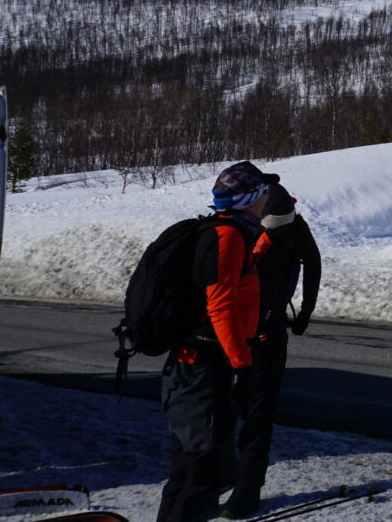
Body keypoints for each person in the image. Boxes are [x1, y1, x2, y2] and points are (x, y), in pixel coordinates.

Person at [156, 161, 275, 522]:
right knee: (200, 472)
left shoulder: (234, 234)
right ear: (251, 198)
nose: (268, 198)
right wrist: (243, 364)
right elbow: (220, 305)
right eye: (264, 192)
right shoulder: (226, 236)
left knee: (194, 470)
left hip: (202, 369)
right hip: (200, 370)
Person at [223, 181, 321, 519]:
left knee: (239, 410)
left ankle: (239, 488)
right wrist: (304, 312)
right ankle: (237, 488)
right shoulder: (270, 225)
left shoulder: (245, 222)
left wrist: (305, 311)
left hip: (245, 333)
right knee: (253, 413)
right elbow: (313, 262)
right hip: (257, 332)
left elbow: (312, 262)